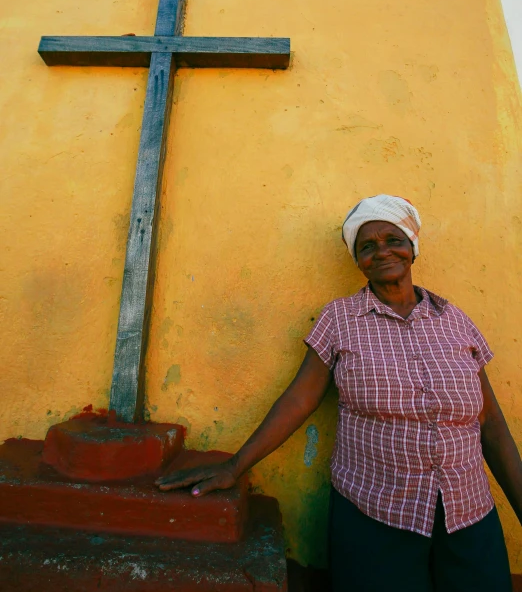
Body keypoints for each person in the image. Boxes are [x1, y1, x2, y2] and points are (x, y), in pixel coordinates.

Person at [155, 194, 522, 591]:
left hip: (468, 515)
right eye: (368, 246)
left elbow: (492, 426)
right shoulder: (341, 319)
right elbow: (300, 400)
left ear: (412, 246)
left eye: (393, 239)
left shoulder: (455, 320)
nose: (382, 252)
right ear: (357, 260)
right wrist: (235, 465)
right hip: (377, 515)